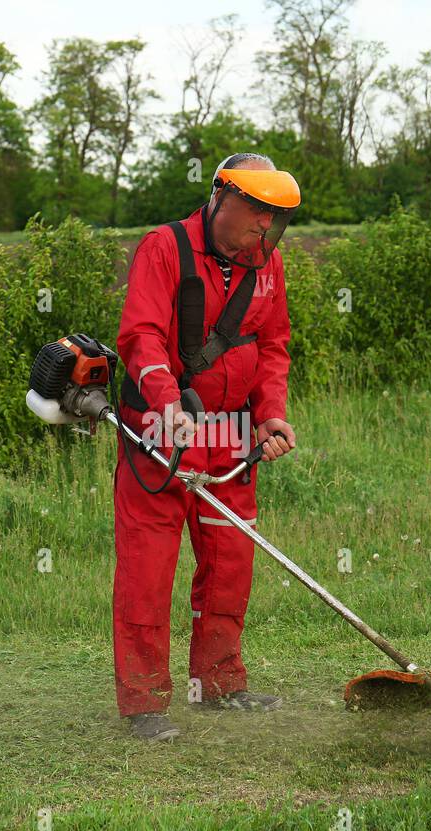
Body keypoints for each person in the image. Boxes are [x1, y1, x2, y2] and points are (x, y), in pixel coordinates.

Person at [111, 152, 300, 742]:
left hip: (233, 435)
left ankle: (220, 684)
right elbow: (139, 335)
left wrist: (270, 417)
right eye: (254, 212)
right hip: (162, 433)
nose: (262, 229)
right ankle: (144, 703)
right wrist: (167, 400)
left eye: (274, 218)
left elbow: (272, 348)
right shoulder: (163, 248)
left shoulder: (267, 266)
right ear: (219, 198)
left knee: (230, 565)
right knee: (148, 566)